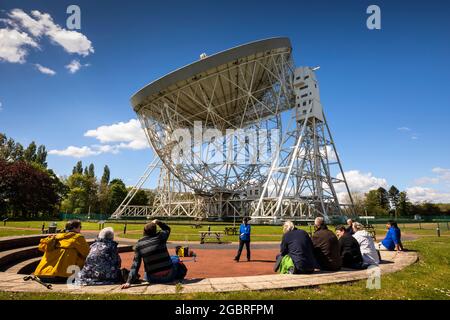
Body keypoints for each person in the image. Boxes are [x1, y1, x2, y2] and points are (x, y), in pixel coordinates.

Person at [122, 219, 185, 289]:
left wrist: (128, 281)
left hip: (152, 278)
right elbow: (167, 229)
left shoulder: (139, 245)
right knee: (175, 259)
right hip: (168, 277)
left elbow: (136, 264)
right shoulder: (161, 237)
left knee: (172, 259)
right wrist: (158, 222)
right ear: (155, 231)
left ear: (144, 231)